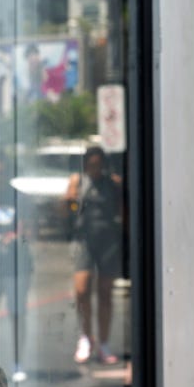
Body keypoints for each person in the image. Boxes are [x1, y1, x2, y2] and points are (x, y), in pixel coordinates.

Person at [66, 146, 123, 365]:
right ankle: (85, 335)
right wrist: (69, 197)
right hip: (84, 240)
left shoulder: (112, 184)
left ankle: (104, 341)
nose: (95, 169)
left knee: (105, 292)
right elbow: (64, 210)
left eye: (98, 165)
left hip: (108, 239)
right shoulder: (78, 182)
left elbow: (122, 209)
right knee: (82, 290)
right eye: (91, 165)